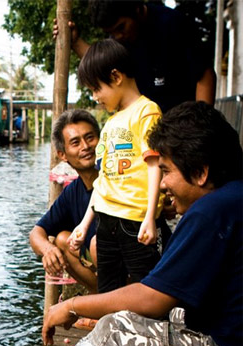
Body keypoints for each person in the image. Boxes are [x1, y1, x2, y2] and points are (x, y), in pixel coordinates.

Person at [43, 101, 243, 346]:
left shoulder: (212, 211)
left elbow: (152, 298)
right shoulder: (230, 198)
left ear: (200, 172)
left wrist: (72, 308)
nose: (162, 183)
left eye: (165, 171)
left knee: (111, 336)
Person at [69, 39, 165, 295]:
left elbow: (155, 165)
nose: (95, 97)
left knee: (149, 287)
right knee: (108, 287)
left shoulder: (147, 112)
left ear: (116, 76)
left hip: (134, 221)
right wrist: (84, 223)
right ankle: (110, 332)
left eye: (96, 88)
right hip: (106, 220)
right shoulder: (111, 124)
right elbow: (104, 180)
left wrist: (149, 217)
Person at [54, 0, 215, 113]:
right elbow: (102, 66)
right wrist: (75, 42)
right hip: (151, 124)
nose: (118, 36)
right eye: (111, 33)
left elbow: (205, 75)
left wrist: (200, 123)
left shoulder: (173, 24)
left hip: (184, 121)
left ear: (137, 9)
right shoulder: (120, 40)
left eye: (121, 27)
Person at [29, 109, 100, 294]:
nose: (85, 146)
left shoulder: (116, 178)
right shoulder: (72, 192)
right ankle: (102, 298)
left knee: (98, 244)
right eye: (75, 143)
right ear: (63, 155)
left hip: (135, 264)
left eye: (90, 138)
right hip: (102, 266)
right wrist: (47, 250)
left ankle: (112, 302)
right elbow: (36, 233)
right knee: (61, 240)